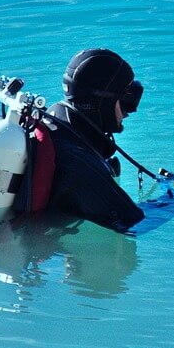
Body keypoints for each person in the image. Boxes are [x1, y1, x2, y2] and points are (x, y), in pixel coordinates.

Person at [42, 48, 151, 232]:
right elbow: (133, 222)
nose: (130, 111)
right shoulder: (79, 162)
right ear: (102, 103)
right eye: (126, 100)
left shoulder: (55, 121)